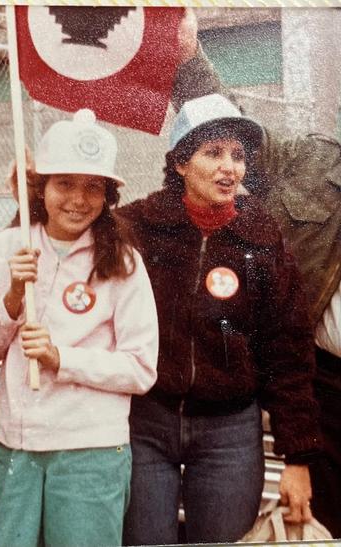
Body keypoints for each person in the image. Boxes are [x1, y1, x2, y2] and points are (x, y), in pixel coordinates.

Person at [116, 93, 321, 544]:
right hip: (147, 423)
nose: (230, 167)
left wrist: (298, 457)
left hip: (229, 431)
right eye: (213, 153)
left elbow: (288, 351)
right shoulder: (137, 227)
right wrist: (31, 197)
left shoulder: (263, 240)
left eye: (238, 156)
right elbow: (68, 229)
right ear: (181, 164)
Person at [172, 33, 341, 539]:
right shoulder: (314, 165)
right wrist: (186, 56)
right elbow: (233, 136)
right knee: (323, 523)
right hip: (327, 386)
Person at [0, 109, 159, 547]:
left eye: (94, 187)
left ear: (108, 196)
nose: (78, 199)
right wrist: (12, 300)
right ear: (42, 187)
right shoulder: (5, 249)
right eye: (65, 183)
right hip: (14, 445)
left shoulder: (123, 262)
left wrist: (61, 358)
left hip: (90, 448)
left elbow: (141, 368)